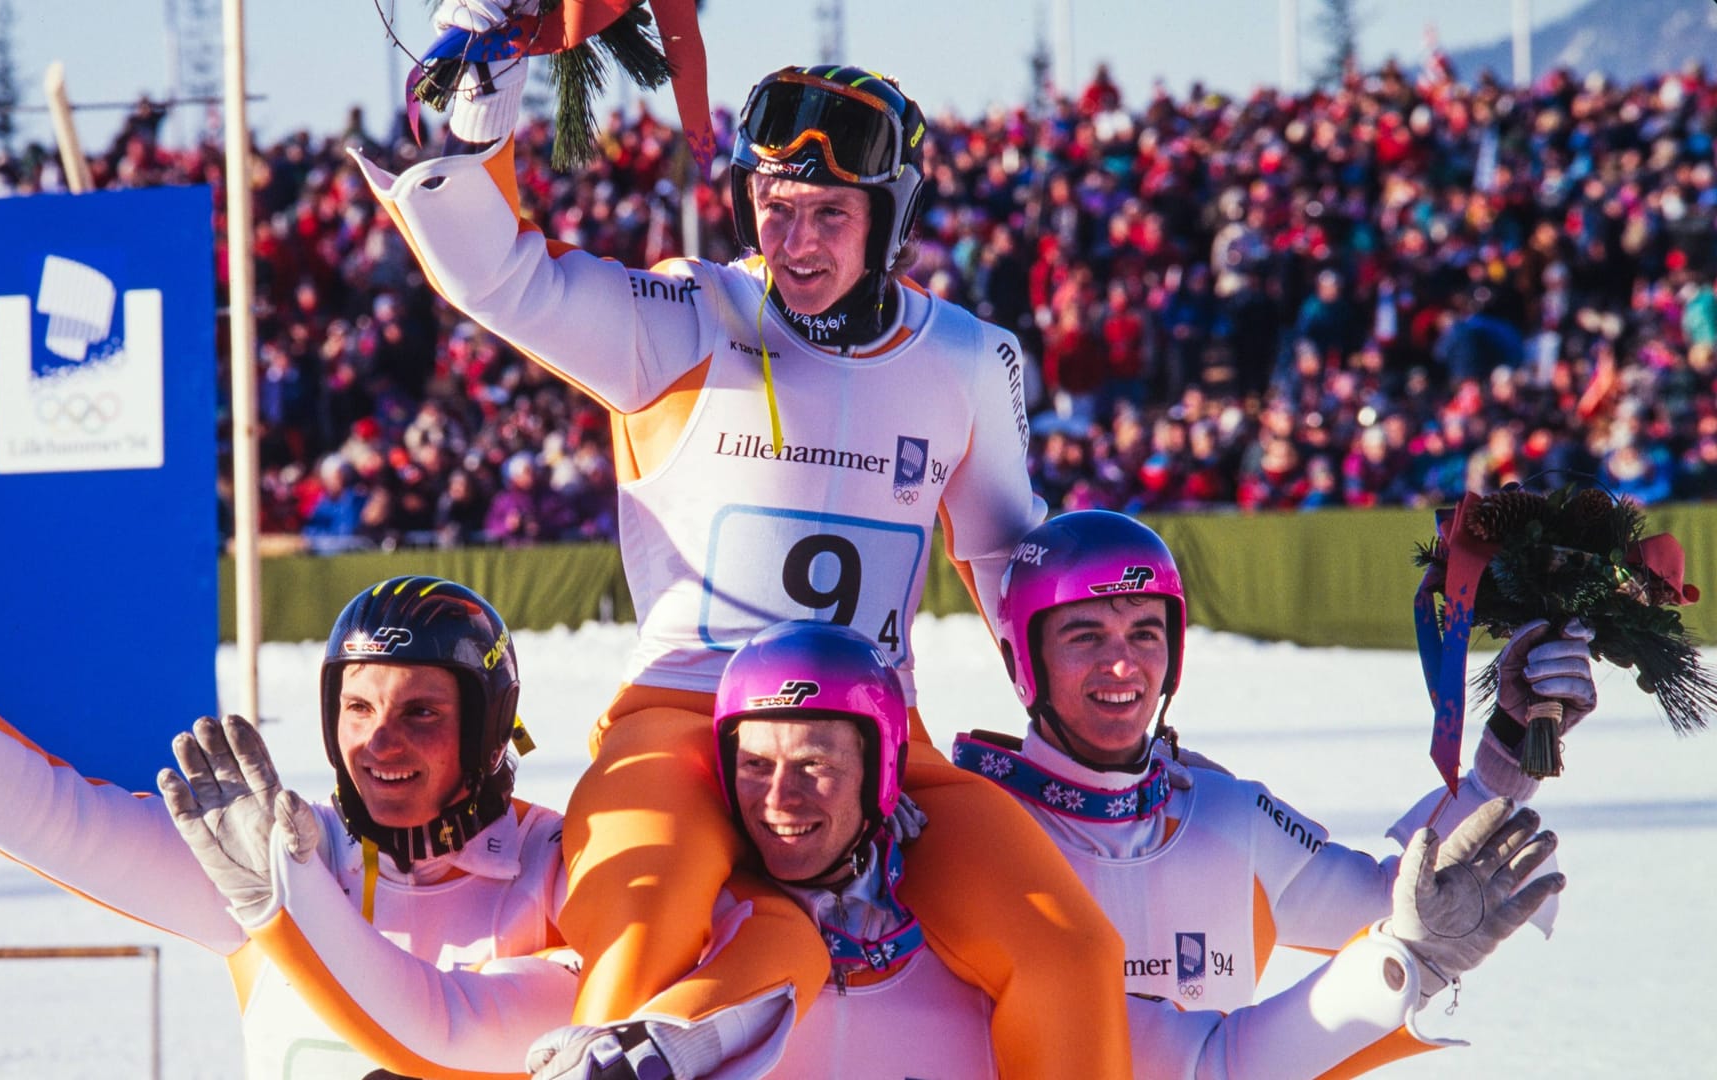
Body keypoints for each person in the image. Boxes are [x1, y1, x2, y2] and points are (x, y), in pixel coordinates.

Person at [361, 4, 1129, 1072]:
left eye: (828, 214)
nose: (796, 244)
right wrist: (485, 111)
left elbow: (1013, 571)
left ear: (891, 218)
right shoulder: (684, 317)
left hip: (878, 744)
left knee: (1072, 950)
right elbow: (500, 279)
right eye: (774, 208)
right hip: (683, 721)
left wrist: (1099, 709)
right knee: (641, 929)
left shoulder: (969, 358)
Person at [525, 621, 1563, 1078]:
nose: (785, 798)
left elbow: (1219, 1060)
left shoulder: (994, 936)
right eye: (756, 767)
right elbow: (477, 1020)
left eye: (1142, 634)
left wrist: (1406, 960)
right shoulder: (693, 948)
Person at [0, 545, 569, 1077]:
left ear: (489, 724)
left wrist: (287, 902)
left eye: (423, 713)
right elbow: (62, 820)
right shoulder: (272, 851)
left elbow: (457, 1027)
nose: (379, 741)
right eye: (357, 706)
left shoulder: (561, 865)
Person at [953, 510, 1588, 1069]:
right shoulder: (967, 836)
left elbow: (1398, 903)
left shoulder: (1228, 815)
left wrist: (1508, 748)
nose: (1122, 665)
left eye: (1145, 633)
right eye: (1084, 635)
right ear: (1022, 660)